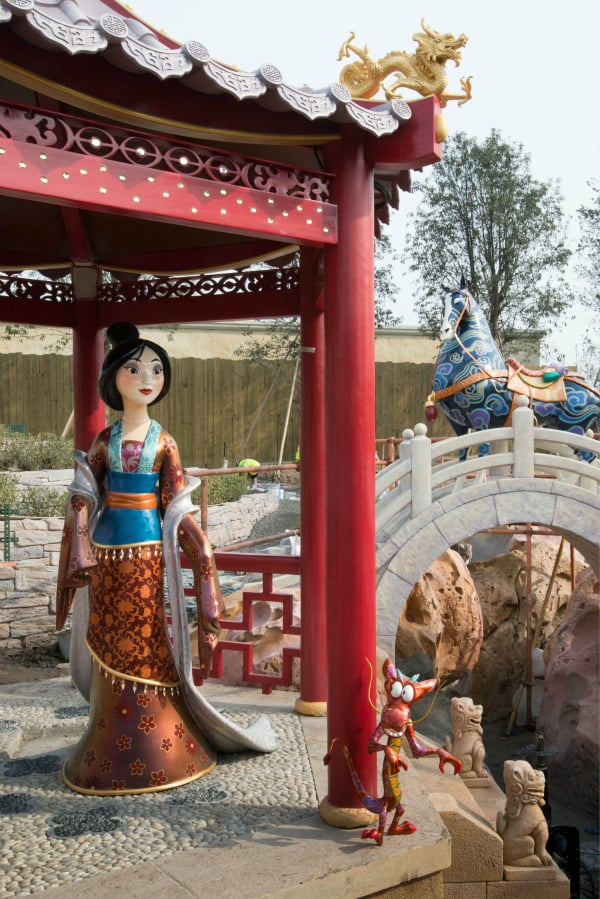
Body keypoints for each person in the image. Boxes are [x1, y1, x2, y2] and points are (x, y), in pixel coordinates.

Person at [56, 322, 275, 796]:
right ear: (114, 377)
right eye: (134, 369)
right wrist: (79, 536)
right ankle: (108, 736)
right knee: (110, 635)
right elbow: (83, 494)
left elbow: (176, 501)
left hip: (151, 553)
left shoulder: (164, 442)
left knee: (149, 633)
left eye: (155, 369)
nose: (146, 378)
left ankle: (163, 736)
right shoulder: (103, 442)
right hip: (107, 558)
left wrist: (200, 548)